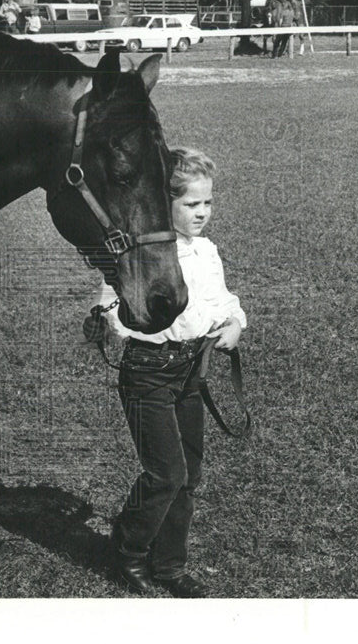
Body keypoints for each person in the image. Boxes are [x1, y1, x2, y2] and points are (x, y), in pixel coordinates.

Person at [95, 148, 246, 598]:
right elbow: (108, 301)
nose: (202, 213)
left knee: (189, 476)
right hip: (147, 373)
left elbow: (220, 301)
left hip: (189, 372)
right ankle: (128, 549)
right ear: (164, 203)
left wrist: (234, 323)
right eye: (191, 204)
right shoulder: (142, 251)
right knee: (166, 474)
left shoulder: (207, 250)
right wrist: (113, 318)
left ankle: (170, 565)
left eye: (208, 203)